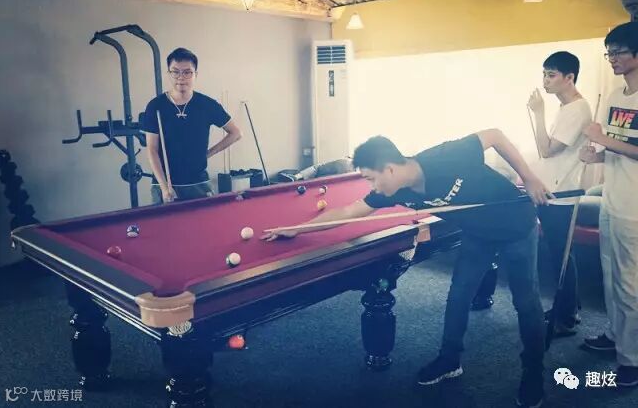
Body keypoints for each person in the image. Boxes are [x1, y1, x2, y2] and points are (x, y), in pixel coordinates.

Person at [263, 129, 551, 407]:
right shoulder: (392, 190)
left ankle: (533, 373)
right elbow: (348, 211)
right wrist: (298, 229)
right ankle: (449, 360)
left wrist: (529, 178)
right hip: (478, 233)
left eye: (371, 178)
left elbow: (495, 135)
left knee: (525, 303)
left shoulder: (446, 156)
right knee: (459, 295)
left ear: (389, 169)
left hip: (516, 224)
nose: (372, 187)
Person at [579, 21, 638, 387]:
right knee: (610, 276)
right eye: (609, 52)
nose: (612, 58)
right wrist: (597, 156)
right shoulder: (616, 94)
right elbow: (620, 150)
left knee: (631, 285)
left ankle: (632, 360)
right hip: (611, 200)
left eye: (618, 52)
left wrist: (602, 140)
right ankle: (616, 337)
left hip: (635, 209)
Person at [526, 51, 592, 337]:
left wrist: (538, 113)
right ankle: (569, 308)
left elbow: (546, 149)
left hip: (561, 195)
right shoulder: (566, 107)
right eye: (544, 74)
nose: (545, 80)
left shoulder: (577, 108)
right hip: (551, 191)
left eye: (551, 75)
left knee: (561, 256)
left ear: (569, 77)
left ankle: (566, 317)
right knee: (561, 254)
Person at [141, 48, 242, 204]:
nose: (181, 77)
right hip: (166, 184)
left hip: (198, 182)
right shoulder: (156, 106)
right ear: (169, 74)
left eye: (187, 72)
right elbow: (152, 149)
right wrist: (164, 187)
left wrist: (208, 153)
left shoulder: (207, 105)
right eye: (175, 72)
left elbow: (235, 133)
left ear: (196, 74)